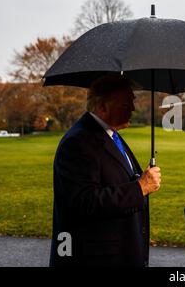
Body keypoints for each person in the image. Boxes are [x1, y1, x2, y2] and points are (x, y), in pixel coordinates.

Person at [49, 75, 161, 266]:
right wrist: (140, 187)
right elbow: (83, 202)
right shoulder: (78, 142)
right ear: (103, 107)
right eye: (126, 103)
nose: (133, 108)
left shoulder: (110, 134)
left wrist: (138, 179)